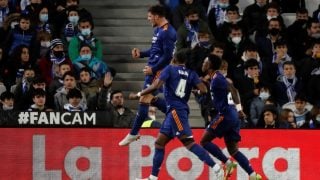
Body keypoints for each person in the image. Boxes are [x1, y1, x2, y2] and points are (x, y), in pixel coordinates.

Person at [136, 49, 224, 180]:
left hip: (176, 111)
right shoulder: (191, 73)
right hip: (175, 111)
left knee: (189, 143)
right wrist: (193, 87)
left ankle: (217, 168)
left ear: (175, 58)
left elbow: (156, 86)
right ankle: (152, 178)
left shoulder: (170, 69)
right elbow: (204, 89)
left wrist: (139, 94)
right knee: (159, 143)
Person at [119, 4, 176, 146]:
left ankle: (133, 133)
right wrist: (141, 54)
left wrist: (154, 69)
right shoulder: (158, 30)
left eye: (150, 16)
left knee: (144, 99)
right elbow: (155, 50)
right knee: (149, 99)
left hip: (158, 71)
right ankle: (174, 113)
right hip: (153, 70)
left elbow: (168, 56)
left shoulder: (168, 32)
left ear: (157, 16)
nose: (148, 19)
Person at [200, 54, 262, 180]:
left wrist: (240, 109)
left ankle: (228, 164)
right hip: (232, 115)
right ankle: (253, 175)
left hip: (226, 114)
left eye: (205, 61)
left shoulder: (218, 77)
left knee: (204, 141)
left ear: (210, 65)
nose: (203, 63)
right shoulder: (215, 78)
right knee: (233, 150)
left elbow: (233, 90)